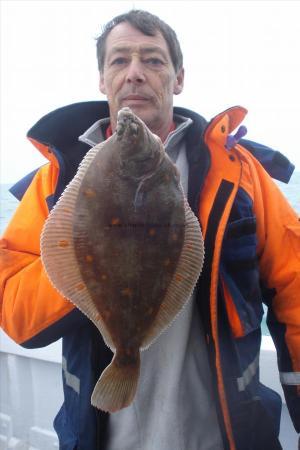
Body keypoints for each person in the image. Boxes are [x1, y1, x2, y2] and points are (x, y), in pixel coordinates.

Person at [0, 9, 299, 450]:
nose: (135, 74)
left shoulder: (240, 175)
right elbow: (16, 313)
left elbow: (295, 289)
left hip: (227, 436)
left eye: (153, 61)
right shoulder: (56, 184)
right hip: (101, 437)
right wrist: (92, 246)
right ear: (102, 79)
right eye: (119, 60)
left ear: (178, 78)